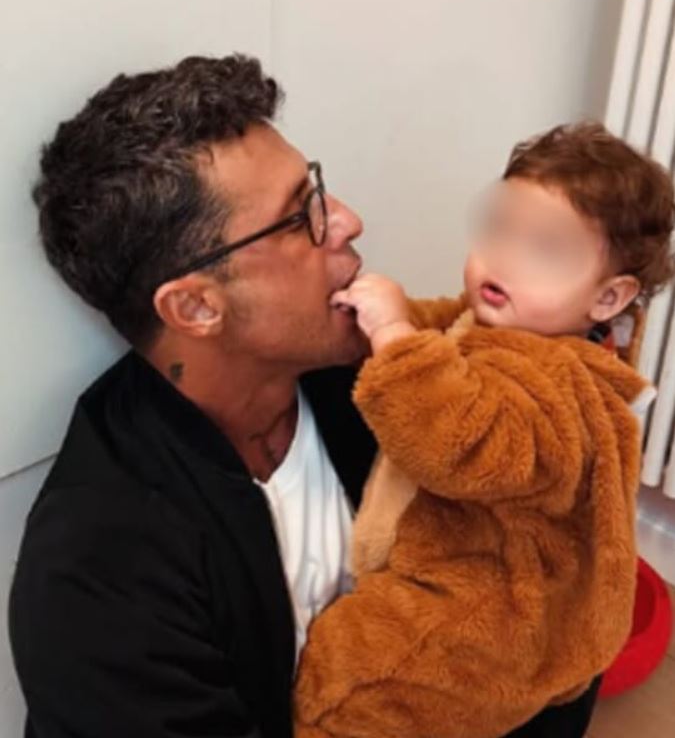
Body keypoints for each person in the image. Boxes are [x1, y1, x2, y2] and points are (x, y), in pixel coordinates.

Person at [8, 56, 620, 738]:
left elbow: (553, 590)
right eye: (300, 216)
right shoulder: (99, 578)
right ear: (196, 307)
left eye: (318, 188)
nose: (347, 221)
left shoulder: (382, 379)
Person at [294, 123, 675, 738]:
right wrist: (382, 319)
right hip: (450, 560)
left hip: (493, 612)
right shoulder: (504, 321)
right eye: (500, 230)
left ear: (608, 299)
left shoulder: (564, 388)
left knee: (354, 677)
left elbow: (460, 443)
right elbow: (442, 329)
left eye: (544, 250)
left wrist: (392, 335)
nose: (505, 258)